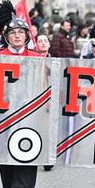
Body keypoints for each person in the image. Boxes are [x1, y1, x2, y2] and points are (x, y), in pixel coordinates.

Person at [0, 0, 42, 188]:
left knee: (27, 161)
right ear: (6, 36)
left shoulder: (38, 57)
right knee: (7, 165)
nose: (17, 36)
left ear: (26, 35)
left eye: (21, 32)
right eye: (12, 32)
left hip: (31, 119)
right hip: (3, 119)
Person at [36, 33, 55, 172]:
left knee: (49, 129)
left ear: (49, 44)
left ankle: (48, 157)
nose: (42, 43)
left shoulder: (54, 61)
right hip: (35, 99)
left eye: (45, 41)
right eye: (40, 41)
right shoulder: (31, 60)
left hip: (50, 98)